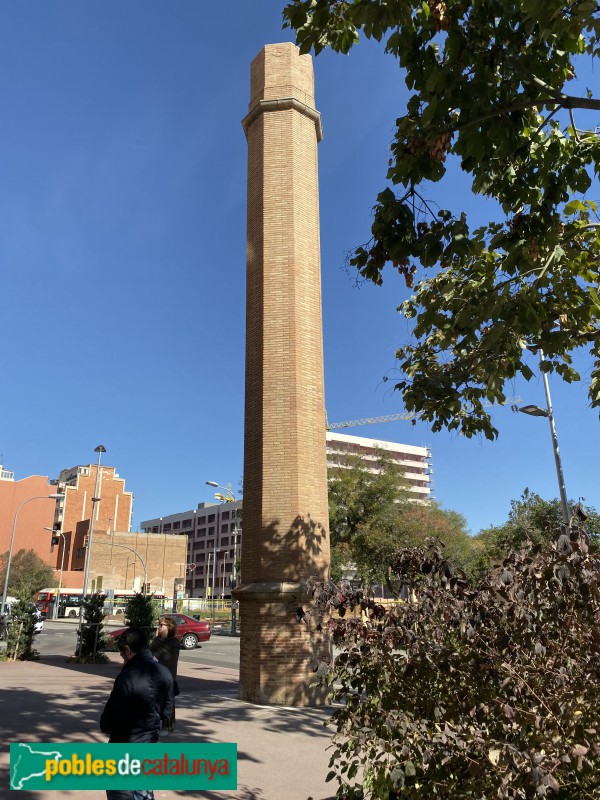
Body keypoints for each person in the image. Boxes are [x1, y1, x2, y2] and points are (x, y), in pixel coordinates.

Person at [100, 627, 174, 800]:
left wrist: (107, 727)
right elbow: (167, 711)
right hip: (149, 744)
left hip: (124, 747)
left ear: (127, 650)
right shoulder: (165, 672)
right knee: (143, 791)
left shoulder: (127, 677)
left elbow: (109, 718)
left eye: (121, 654)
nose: (122, 659)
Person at [150, 616, 180, 734]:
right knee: (155, 699)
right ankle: (155, 723)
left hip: (168, 675)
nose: (159, 627)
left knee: (168, 700)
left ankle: (168, 725)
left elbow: (165, 657)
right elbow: (151, 655)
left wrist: (156, 658)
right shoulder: (156, 640)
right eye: (159, 624)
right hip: (155, 674)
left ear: (169, 627)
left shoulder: (174, 642)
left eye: (162, 625)